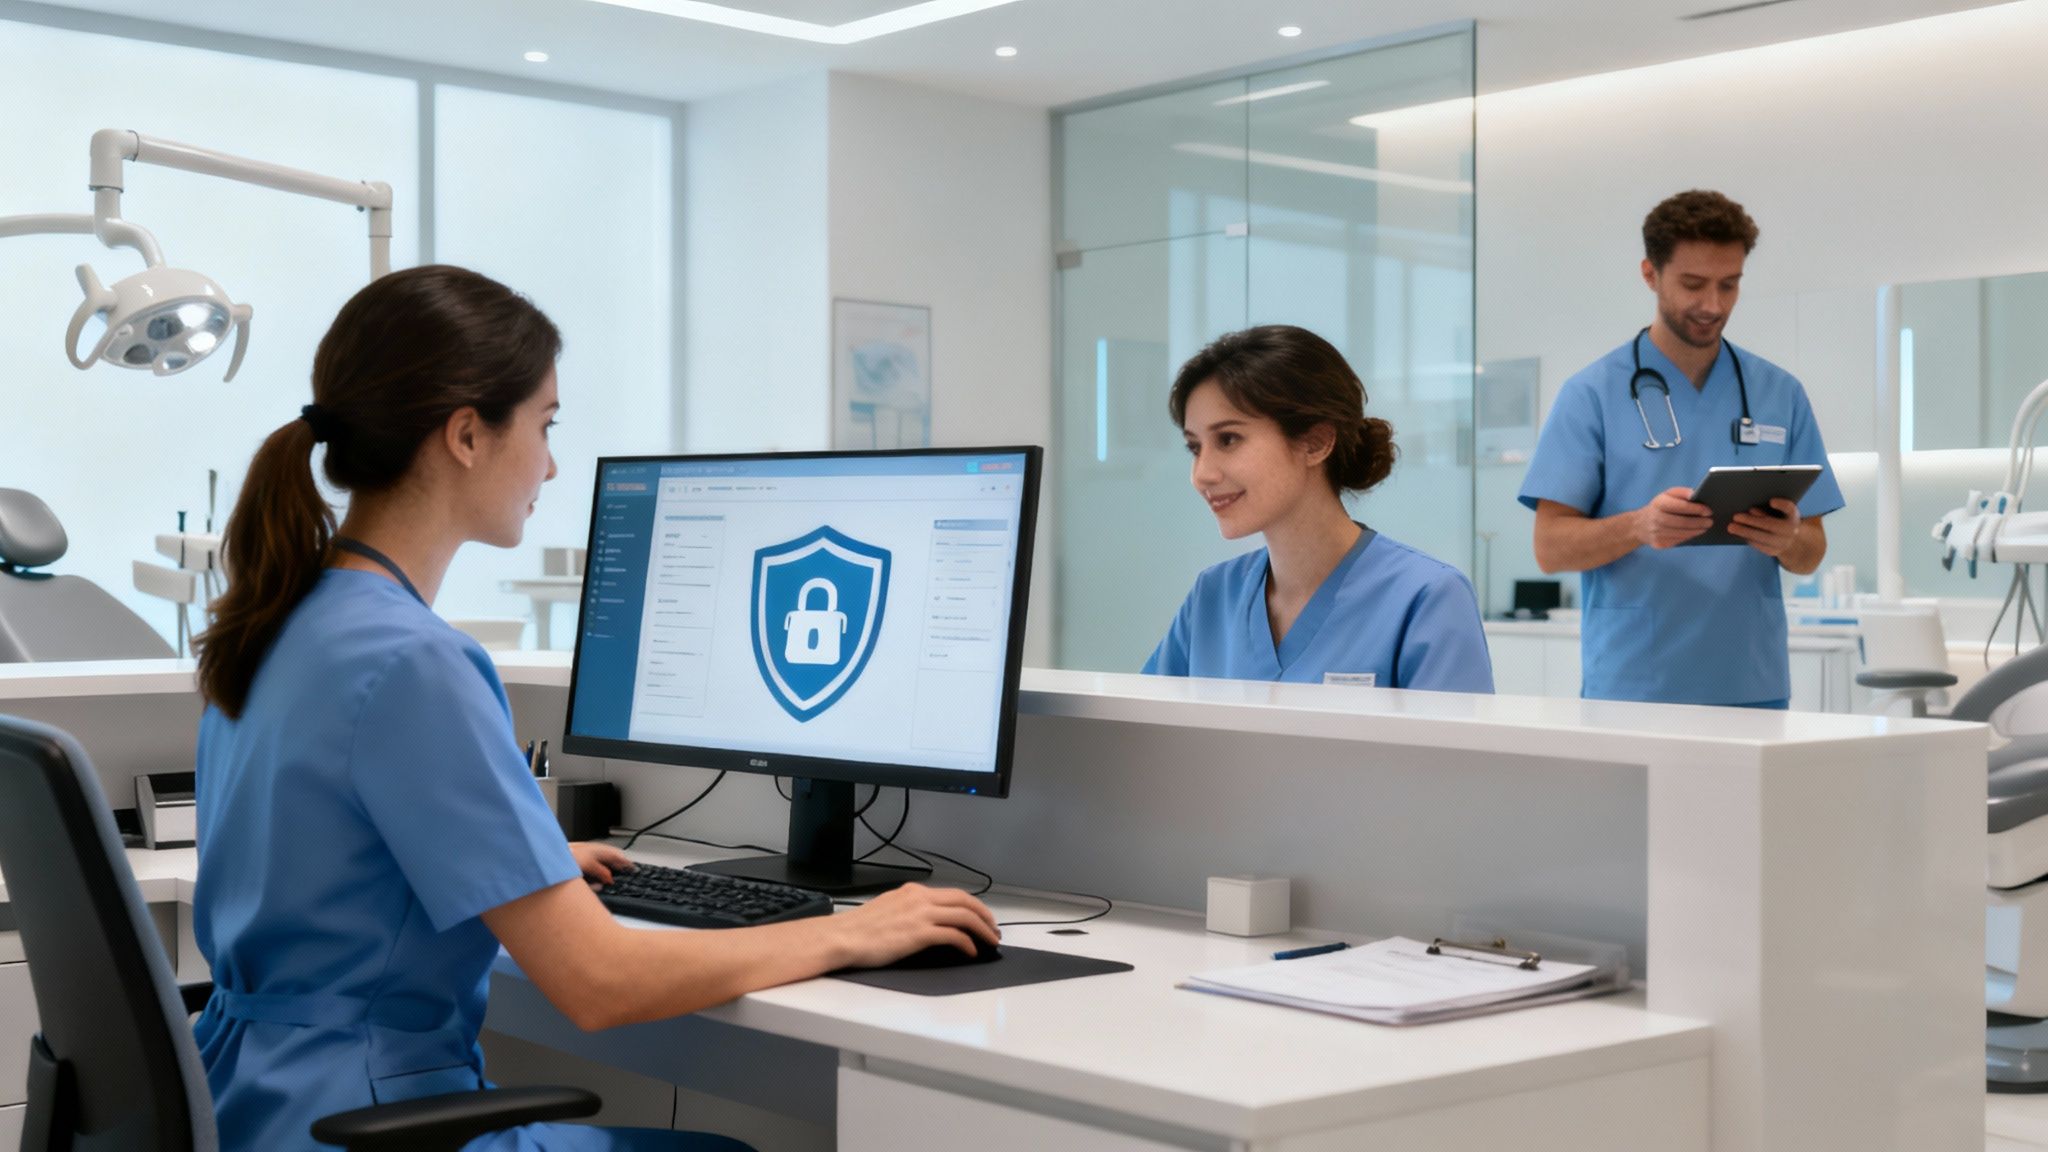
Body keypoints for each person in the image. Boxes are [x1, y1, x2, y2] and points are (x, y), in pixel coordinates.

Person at [189, 265, 998, 1151]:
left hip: (253, 1104)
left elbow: (318, 863)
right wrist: (856, 935)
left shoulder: (281, 620)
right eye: (545, 424)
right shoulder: (416, 661)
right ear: (467, 434)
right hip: (361, 1118)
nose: (550, 463)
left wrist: (523, 866)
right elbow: (598, 983)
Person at [1518, 190, 1844, 708]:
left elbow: (1812, 552)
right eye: (1693, 284)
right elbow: (1549, 547)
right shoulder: (1591, 395)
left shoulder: (1780, 394)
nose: (1713, 305)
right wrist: (1638, 526)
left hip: (1752, 688)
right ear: (1650, 274)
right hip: (1634, 689)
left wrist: (1786, 540)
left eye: (1729, 284)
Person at [1142, 325, 1493, 692]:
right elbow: (1141, 723)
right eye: (1195, 448)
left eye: (1228, 439)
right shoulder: (1213, 596)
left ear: (1316, 442)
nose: (1202, 475)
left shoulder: (1426, 598)